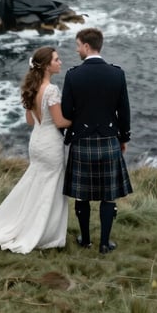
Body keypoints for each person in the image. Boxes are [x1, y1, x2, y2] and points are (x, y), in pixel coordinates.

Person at [0, 46, 72, 253]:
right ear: (47, 66)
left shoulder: (32, 88)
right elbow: (60, 122)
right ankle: (43, 232)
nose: (60, 62)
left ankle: (28, 224)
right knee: (49, 187)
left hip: (36, 141)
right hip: (50, 143)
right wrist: (79, 118)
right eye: (56, 59)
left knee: (37, 184)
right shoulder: (51, 90)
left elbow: (30, 120)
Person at [61, 27, 133, 254]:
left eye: (77, 45)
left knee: (82, 194)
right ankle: (104, 243)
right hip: (109, 140)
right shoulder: (117, 74)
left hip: (82, 142)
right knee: (108, 195)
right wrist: (123, 137)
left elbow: (66, 111)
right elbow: (125, 111)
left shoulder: (73, 75)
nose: (76, 49)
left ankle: (85, 240)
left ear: (86, 46)